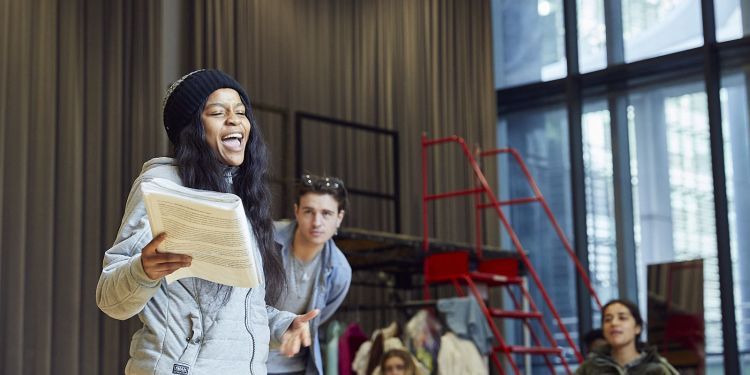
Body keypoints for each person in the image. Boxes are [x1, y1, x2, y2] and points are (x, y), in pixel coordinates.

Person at [96, 69, 318, 374]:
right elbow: (109, 297)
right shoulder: (162, 185)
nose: (234, 120)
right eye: (217, 112)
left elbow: (234, 313)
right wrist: (142, 271)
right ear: (191, 128)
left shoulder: (243, 200)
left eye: (240, 112)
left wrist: (283, 325)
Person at [267, 174, 353, 375]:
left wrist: (297, 330)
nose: (317, 222)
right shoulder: (265, 241)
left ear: (339, 218)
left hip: (294, 366)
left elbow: (317, 320)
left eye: (326, 213)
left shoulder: (340, 271)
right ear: (296, 211)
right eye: (309, 211)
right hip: (246, 360)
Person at [575, 299, 678, 374]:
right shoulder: (590, 368)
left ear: (637, 327)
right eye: (608, 319)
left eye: (622, 318)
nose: (614, 323)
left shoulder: (657, 369)